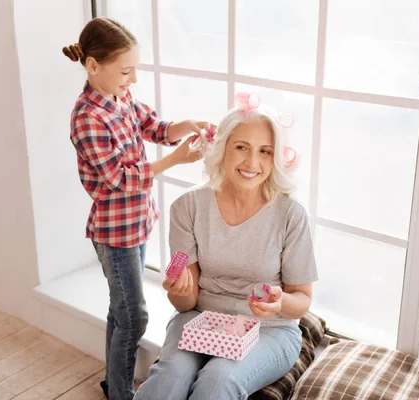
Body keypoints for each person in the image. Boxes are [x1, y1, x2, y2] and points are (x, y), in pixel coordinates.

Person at [64, 17, 213, 400]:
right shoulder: (87, 118)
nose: (132, 80)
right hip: (114, 233)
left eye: (135, 71)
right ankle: (121, 393)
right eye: (125, 71)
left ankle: (114, 384)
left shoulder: (121, 96)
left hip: (138, 222)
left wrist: (186, 125)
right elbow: (120, 178)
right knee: (135, 316)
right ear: (93, 65)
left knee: (121, 310)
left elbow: (153, 126)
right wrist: (175, 161)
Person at [134, 101, 318, 400]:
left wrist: (279, 301)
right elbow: (185, 304)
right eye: (242, 147)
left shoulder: (290, 214)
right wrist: (177, 289)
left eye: (265, 151)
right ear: (223, 149)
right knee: (170, 378)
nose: (252, 162)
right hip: (199, 319)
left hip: (269, 328)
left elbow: (302, 301)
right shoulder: (188, 207)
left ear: (275, 158)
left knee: (217, 382)